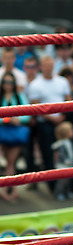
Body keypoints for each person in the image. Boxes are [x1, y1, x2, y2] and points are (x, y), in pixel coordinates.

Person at [28, 56, 72, 193]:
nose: (48, 67)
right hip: (45, 124)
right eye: (45, 65)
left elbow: (69, 100)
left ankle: (69, 186)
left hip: (62, 122)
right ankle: (53, 187)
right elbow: (35, 106)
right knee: (48, 154)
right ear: (41, 67)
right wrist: (53, 118)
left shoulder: (62, 81)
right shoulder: (35, 84)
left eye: (50, 64)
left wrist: (62, 116)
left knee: (69, 154)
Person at [0, 72, 31, 201]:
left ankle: (7, 189)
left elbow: (28, 113)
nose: (8, 85)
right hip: (2, 132)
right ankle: (10, 188)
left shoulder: (19, 96)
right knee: (7, 162)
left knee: (11, 162)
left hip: (16, 133)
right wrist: (7, 119)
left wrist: (18, 119)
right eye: (6, 82)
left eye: (11, 82)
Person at [51, 121, 73, 201]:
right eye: (71, 130)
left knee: (68, 181)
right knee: (62, 181)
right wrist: (66, 161)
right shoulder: (61, 144)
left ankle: (66, 192)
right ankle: (58, 193)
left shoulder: (69, 142)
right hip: (63, 165)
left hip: (68, 165)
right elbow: (61, 154)